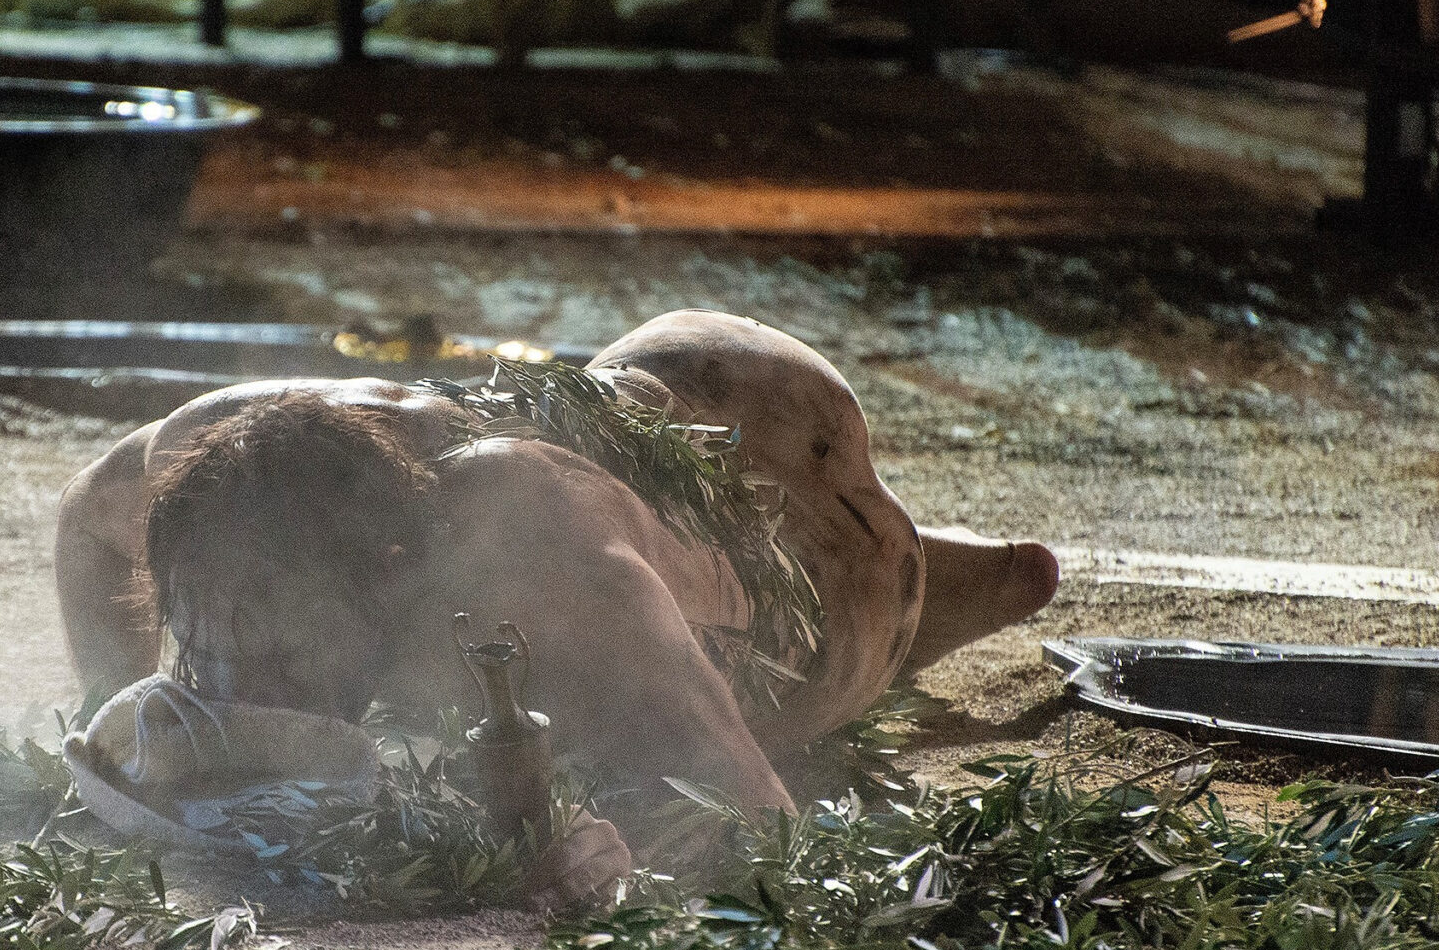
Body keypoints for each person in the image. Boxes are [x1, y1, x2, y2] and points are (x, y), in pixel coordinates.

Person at [54, 310, 1059, 881]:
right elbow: (82, 523)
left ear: (396, 567)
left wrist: (569, 862)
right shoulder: (209, 455)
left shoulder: (541, 561)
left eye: (275, 646)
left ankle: (970, 582)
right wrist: (111, 710)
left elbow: (759, 817)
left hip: (798, 505)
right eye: (209, 637)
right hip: (615, 416)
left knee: (892, 611)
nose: (236, 679)